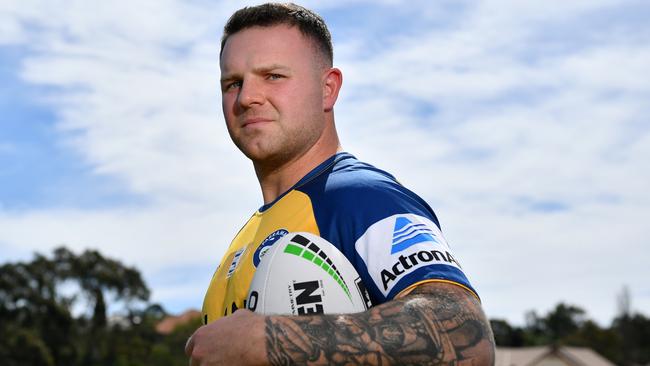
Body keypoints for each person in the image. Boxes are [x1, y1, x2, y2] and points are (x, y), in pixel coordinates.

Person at [185, 3, 495, 365]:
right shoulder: (246, 237)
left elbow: (465, 335)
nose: (246, 98)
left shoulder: (361, 197)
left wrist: (269, 340)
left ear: (328, 89)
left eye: (273, 76)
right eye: (232, 83)